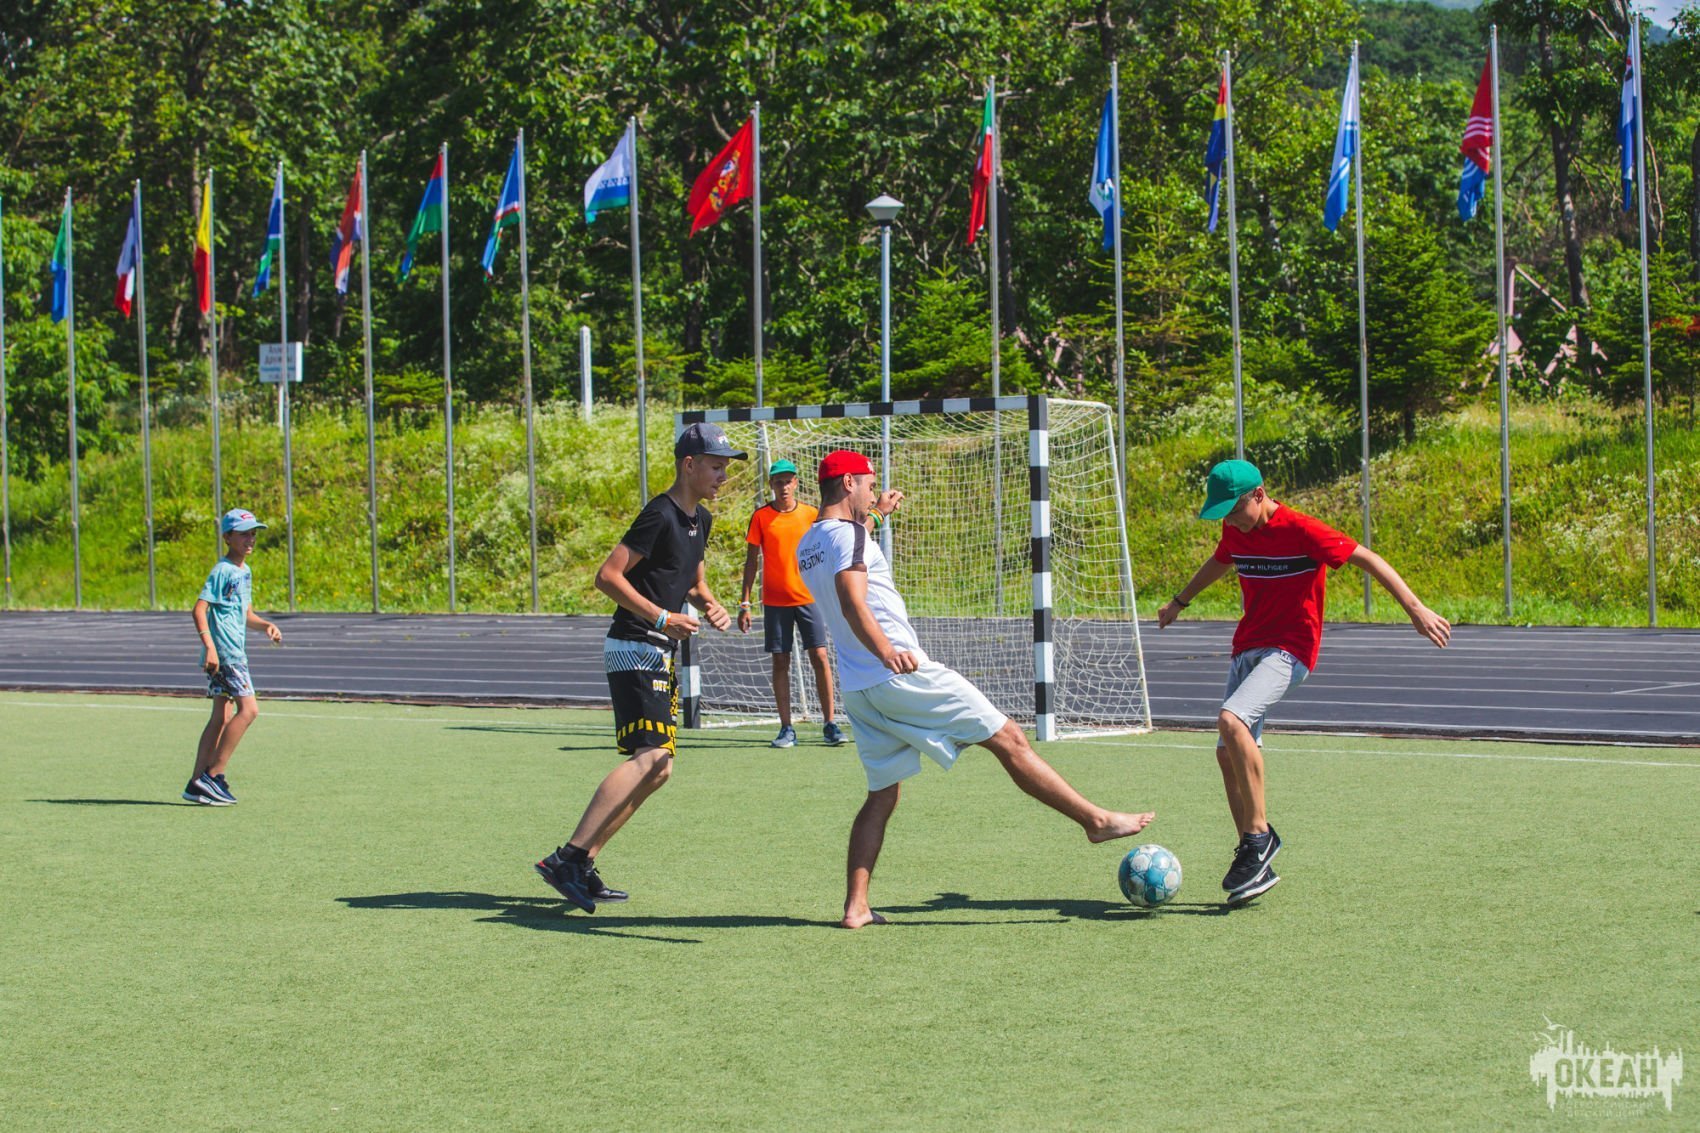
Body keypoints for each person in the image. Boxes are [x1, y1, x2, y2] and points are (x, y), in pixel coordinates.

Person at [796, 449, 1156, 929]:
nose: (872, 490)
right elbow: (851, 597)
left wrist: (878, 512)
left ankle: (856, 906)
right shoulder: (851, 535)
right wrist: (886, 650)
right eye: (868, 482)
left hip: (859, 690)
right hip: (900, 673)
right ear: (848, 483)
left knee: (882, 794)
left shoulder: (809, 542)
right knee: (1009, 738)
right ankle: (1096, 821)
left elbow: (849, 545)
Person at [1157, 459, 1451, 904]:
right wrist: (1180, 601)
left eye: (1233, 511)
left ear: (1258, 495)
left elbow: (1368, 558)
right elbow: (1220, 561)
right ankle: (1254, 861)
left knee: (1231, 721)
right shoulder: (1236, 530)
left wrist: (1415, 609)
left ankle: (1259, 836)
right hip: (1247, 647)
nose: (1230, 522)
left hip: (1289, 650)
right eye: (1223, 516)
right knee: (1226, 754)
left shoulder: (1303, 530)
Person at [534, 422, 745, 913]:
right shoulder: (658, 514)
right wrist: (662, 616)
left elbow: (690, 580)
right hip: (633, 646)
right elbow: (607, 576)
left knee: (660, 769)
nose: (723, 476)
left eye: (725, 468)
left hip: (658, 650)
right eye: (716, 467)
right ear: (689, 465)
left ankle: (583, 863)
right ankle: (565, 859)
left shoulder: (701, 520)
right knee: (650, 758)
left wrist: (710, 604)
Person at [738, 458, 845, 749]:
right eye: (778, 482)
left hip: (810, 598)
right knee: (780, 661)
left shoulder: (811, 514)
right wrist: (745, 602)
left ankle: (830, 724)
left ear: (796, 483)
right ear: (771, 485)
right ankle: (786, 728)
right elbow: (751, 561)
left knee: (819, 656)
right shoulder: (761, 517)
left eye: (788, 481)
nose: (783, 486)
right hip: (775, 602)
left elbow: (828, 549)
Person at [184, 508, 283, 806]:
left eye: (253, 534)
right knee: (249, 710)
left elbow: (245, 614)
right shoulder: (223, 570)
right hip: (226, 655)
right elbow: (199, 609)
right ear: (227, 538)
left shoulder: (244, 572)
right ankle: (213, 775)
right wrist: (210, 646)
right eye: (243, 535)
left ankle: (196, 783)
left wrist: (265, 625)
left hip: (233, 652)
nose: (250, 539)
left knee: (222, 716)